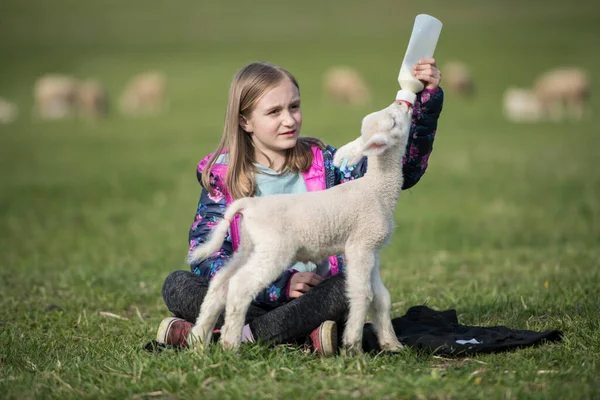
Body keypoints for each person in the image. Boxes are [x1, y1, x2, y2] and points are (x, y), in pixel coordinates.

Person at [157, 60, 443, 355]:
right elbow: (208, 255)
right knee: (178, 284)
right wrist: (282, 284)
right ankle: (297, 335)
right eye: (274, 112)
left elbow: (399, 168)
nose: (289, 120)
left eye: (294, 106)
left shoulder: (329, 163)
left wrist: (426, 99)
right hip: (258, 292)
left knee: (350, 286)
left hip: (315, 294)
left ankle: (231, 334)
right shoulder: (224, 177)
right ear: (245, 121)